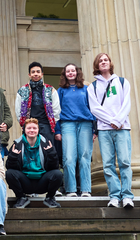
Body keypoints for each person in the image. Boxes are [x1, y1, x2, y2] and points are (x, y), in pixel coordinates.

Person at [87, 53, 134, 208]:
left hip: (122, 128)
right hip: (105, 130)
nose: (103, 62)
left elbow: (126, 104)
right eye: (100, 61)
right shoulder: (92, 87)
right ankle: (114, 195)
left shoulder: (122, 82)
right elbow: (95, 108)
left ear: (110, 63)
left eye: (105, 60)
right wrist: (112, 121)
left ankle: (127, 196)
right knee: (108, 164)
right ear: (97, 65)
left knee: (125, 162)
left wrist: (118, 121)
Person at [54, 64, 95, 198]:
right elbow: (56, 112)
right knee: (69, 158)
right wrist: (57, 130)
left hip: (85, 124)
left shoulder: (87, 89)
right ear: (64, 74)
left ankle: (85, 190)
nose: (71, 73)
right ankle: (70, 189)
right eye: (68, 71)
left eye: (73, 70)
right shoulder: (60, 91)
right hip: (67, 125)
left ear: (77, 73)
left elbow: (93, 109)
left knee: (84, 157)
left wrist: (95, 129)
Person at [6, 118, 62, 208]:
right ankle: (21, 198)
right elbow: (9, 167)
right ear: (24, 130)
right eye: (29, 128)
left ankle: (50, 198)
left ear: (38, 130)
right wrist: (13, 157)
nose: (32, 130)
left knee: (58, 174)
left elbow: (54, 167)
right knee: (9, 173)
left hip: (42, 181)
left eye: (34, 128)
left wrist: (51, 154)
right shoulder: (17, 144)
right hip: (25, 182)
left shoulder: (46, 143)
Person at [15, 62, 60, 143]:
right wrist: (24, 124)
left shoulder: (50, 89)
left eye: (38, 72)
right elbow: (18, 109)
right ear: (29, 75)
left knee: (47, 150)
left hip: (46, 125)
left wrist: (53, 122)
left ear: (42, 74)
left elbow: (56, 108)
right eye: (33, 72)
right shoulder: (22, 90)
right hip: (29, 125)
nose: (36, 74)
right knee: (29, 150)